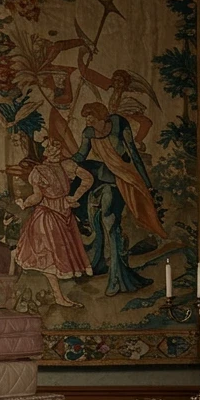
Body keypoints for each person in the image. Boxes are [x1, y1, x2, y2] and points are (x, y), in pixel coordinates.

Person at [73, 102, 168, 295]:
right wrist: (58, 163)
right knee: (95, 218)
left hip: (122, 178)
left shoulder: (118, 124)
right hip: (102, 177)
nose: (88, 122)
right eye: (87, 119)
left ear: (102, 117)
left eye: (91, 118)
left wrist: (147, 183)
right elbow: (80, 156)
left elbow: (132, 152)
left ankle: (119, 278)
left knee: (110, 221)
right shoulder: (89, 133)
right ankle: (98, 262)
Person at [14, 135, 94, 307]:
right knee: (49, 256)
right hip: (47, 216)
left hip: (62, 215)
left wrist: (75, 196)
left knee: (57, 257)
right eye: (52, 148)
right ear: (46, 151)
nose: (55, 151)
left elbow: (88, 178)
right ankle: (57, 297)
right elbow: (37, 197)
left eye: (56, 147)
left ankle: (58, 297)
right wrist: (26, 203)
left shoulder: (66, 165)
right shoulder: (40, 171)